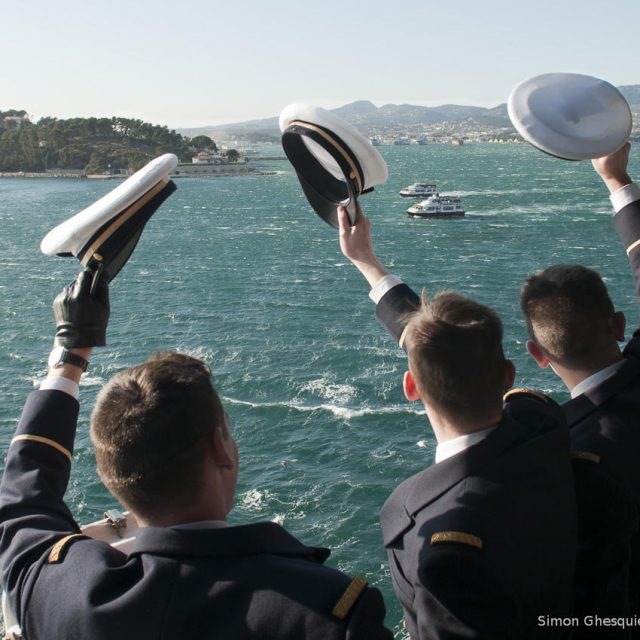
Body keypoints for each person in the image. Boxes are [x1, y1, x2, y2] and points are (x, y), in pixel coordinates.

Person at [0, 269, 394, 639]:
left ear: (109, 472)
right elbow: (23, 498)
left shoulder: (57, 593)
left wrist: (68, 356)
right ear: (221, 449)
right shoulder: (330, 612)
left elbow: (24, 498)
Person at [337, 207, 577, 639]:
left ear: (411, 386)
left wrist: (365, 260)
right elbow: (438, 345)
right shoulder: (543, 421)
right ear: (508, 376)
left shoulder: (435, 536)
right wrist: (367, 263)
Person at [520, 142, 640, 634]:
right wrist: (616, 179)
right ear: (618, 322)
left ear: (537, 355)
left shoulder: (566, 457)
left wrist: (368, 264)